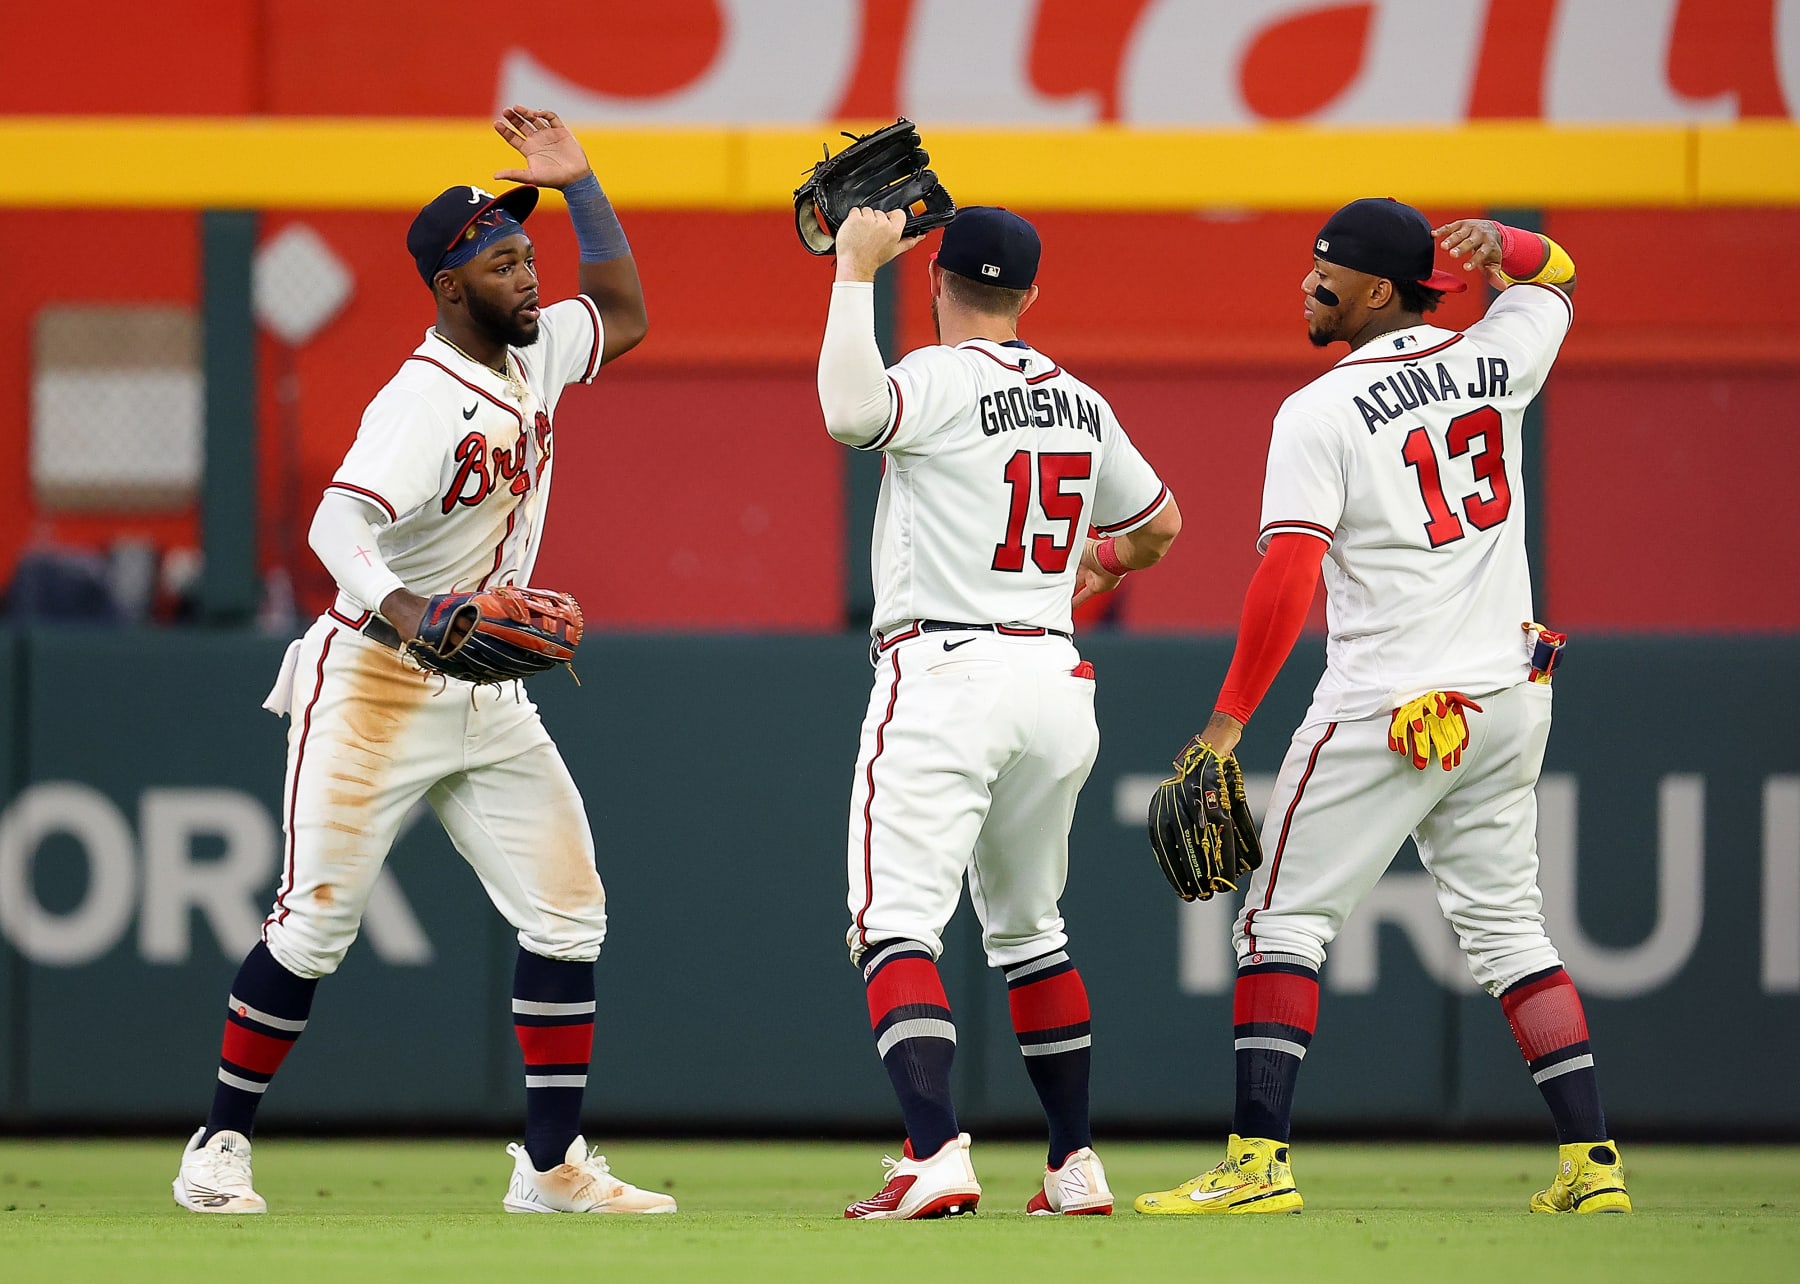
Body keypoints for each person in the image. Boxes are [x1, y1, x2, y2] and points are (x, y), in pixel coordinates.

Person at [172, 106, 675, 1217]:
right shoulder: (419, 402)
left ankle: (549, 1168)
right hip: (375, 681)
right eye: (503, 262)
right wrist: (412, 608)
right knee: (313, 923)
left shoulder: (534, 352)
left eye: (528, 252)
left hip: (483, 686)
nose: (528, 275)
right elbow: (333, 527)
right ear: (450, 288)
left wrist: (581, 185)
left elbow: (628, 314)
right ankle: (216, 1146)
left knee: (568, 913)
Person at [1133, 199, 1628, 1216]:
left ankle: (1257, 1165)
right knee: (1510, 933)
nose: (1309, 285)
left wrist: (1227, 721)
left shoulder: (1320, 411)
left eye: (1329, 273)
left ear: (1381, 290)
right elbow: (1560, 283)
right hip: (1502, 694)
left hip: (1389, 705)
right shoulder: (1499, 356)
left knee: (1278, 921)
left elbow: (1289, 570)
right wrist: (1517, 247)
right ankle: (1592, 1165)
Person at [818, 205, 1182, 1219]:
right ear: (1030, 295)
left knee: (895, 926)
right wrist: (1082, 577)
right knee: (1030, 932)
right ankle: (1074, 1164)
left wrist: (852, 270)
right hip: (1053, 681)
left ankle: (935, 1152)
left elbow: (850, 414)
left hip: (945, 670)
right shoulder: (1077, 399)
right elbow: (1158, 526)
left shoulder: (934, 378)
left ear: (936, 279)